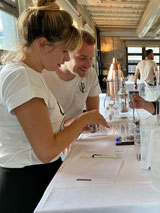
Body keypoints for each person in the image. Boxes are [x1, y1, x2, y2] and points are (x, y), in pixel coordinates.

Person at [0, 1, 109, 212]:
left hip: (36, 175)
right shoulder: (21, 77)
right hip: (24, 183)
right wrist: (86, 118)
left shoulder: (30, 74)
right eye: (65, 50)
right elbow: (46, 151)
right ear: (42, 44)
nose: (66, 57)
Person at [42, 30, 101, 121]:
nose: (89, 65)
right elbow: (40, 127)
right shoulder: (43, 76)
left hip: (78, 132)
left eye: (91, 58)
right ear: (65, 54)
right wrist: (77, 123)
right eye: (82, 58)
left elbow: (93, 115)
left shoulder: (90, 73)